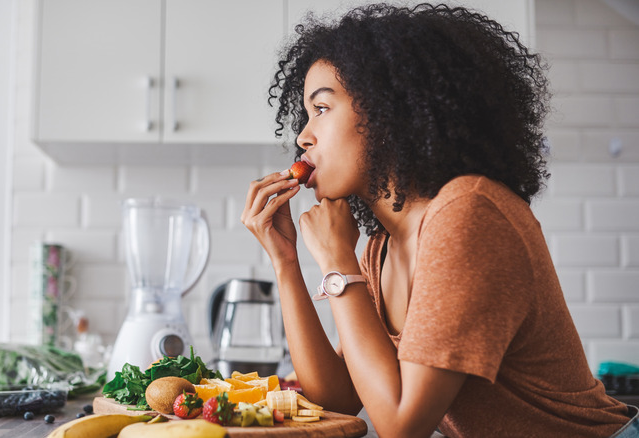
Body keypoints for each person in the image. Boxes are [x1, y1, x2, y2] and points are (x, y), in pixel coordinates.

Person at [241, 3, 634, 437]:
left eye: (322, 108)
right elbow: (337, 398)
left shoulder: (469, 214)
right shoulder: (381, 247)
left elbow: (401, 425)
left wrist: (338, 265)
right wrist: (287, 263)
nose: (303, 135)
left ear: (386, 114)